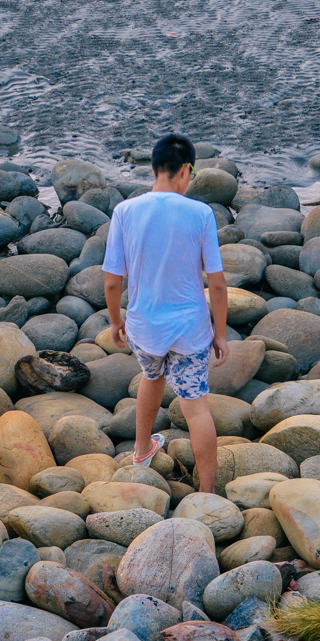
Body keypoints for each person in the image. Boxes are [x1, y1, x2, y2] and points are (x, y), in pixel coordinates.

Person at [102, 133, 229, 494]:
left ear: (155, 167)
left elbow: (113, 282)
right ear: (186, 171)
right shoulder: (201, 213)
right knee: (196, 408)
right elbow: (217, 284)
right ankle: (206, 492)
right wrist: (219, 333)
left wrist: (115, 321)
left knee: (151, 376)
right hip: (189, 331)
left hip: (144, 327)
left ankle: (141, 451)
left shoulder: (125, 212)